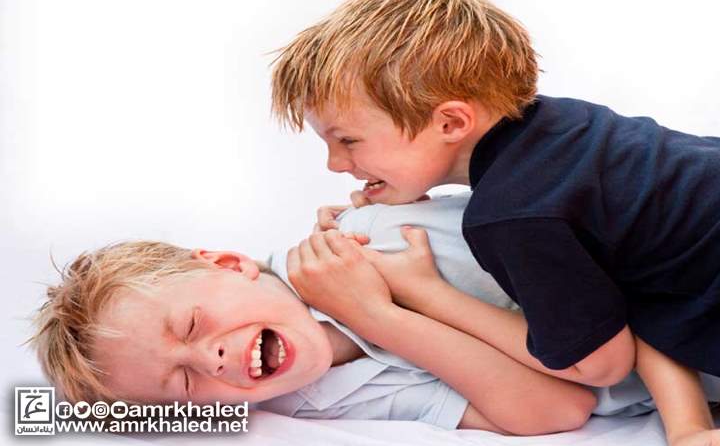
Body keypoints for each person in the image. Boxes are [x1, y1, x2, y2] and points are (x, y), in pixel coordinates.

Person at [270, 0, 720, 446]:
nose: (335, 164)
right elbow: (647, 288)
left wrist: (424, 292)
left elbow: (600, 364)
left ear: (451, 122)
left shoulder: (512, 215)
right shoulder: (566, 126)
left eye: (348, 140)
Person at [29, 194, 596, 435]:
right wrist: (380, 319)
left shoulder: (370, 238)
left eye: (191, 326)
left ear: (229, 264)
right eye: (183, 384)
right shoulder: (314, 401)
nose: (211, 359)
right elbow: (564, 408)